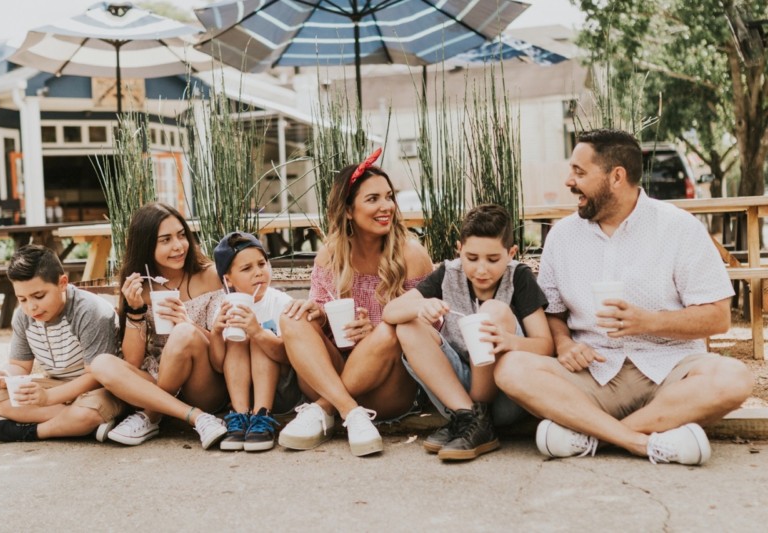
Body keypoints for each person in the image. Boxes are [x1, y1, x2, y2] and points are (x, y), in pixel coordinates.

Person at [495, 129, 753, 465]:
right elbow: (554, 315)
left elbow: (718, 318)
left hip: (670, 371)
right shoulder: (561, 236)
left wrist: (648, 321)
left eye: (579, 172)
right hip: (593, 373)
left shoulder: (679, 228)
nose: (568, 181)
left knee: (735, 378)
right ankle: (642, 442)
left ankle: (592, 437)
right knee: (510, 368)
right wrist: (565, 345)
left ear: (616, 176)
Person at [278, 148, 433, 456]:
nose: (386, 206)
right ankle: (351, 411)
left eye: (389, 197)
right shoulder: (330, 254)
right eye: (373, 199)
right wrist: (317, 314)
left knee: (390, 329)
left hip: (388, 386)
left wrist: (373, 330)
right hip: (334, 372)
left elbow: (431, 326)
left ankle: (324, 409)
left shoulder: (411, 255)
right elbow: (322, 315)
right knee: (291, 317)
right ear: (348, 210)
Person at [384, 204, 553, 461]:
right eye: (472, 258)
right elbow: (391, 312)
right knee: (408, 324)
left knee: (492, 311)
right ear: (459, 250)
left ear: (511, 253)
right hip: (457, 396)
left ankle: (476, 420)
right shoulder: (448, 274)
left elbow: (546, 346)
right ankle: (470, 419)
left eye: (493, 259)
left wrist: (510, 341)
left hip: (505, 394)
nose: (481, 269)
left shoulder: (518, 277)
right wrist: (421, 306)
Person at [89, 202, 228, 449]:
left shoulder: (210, 276)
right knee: (101, 363)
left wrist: (189, 324)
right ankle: (193, 416)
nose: (178, 246)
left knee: (183, 332)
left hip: (202, 382)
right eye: (165, 240)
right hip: (157, 377)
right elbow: (133, 361)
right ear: (146, 245)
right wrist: (135, 310)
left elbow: (224, 349)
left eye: (181, 235)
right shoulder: (139, 285)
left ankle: (151, 415)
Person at [0, 245, 125, 442]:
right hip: (56, 387)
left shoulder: (90, 311)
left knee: (87, 413)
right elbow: (19, 366)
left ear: (62, 283)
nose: (31, 306)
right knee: (0, 399)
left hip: (96, 387)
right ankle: (80, 425)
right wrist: (4, 377)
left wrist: (48, 399)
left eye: (39, 296)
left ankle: (28, 432)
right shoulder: (23, 316)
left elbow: (95, 376)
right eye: (22, 299)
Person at [209, 231, 301, 452]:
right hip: (240, 392)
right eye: (247, 268)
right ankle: (239, 418)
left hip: (281, 391)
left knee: (258, 338)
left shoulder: (280, 302)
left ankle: (262, 419)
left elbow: (289, 358)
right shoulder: (224, 306)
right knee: (237, 339)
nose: (258, 272)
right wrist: (216, 333)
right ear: (228, 279)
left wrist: (258, 332)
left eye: (262, 263)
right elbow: (218, 366)